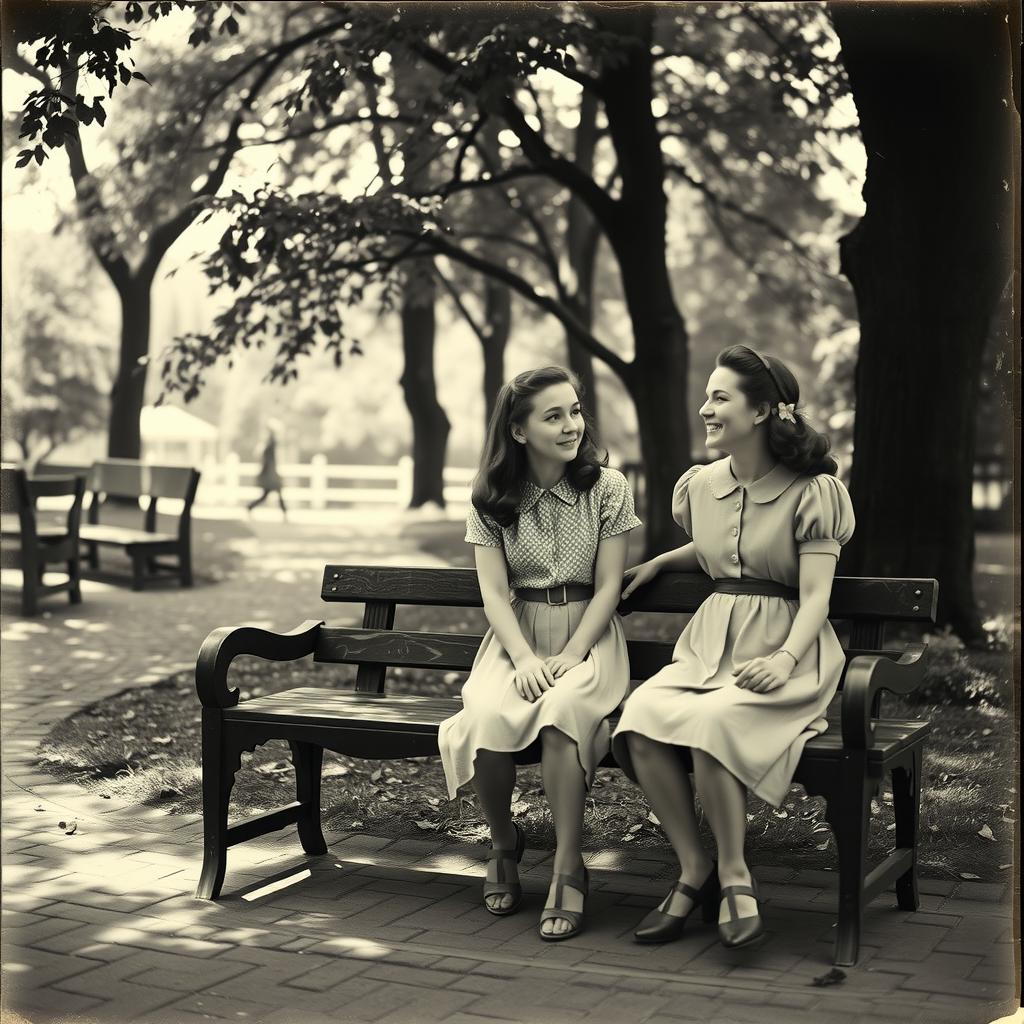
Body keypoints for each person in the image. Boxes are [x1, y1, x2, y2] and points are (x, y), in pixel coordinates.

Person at [612, 344, 854, 949]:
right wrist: (661, 562)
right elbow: (725, 544)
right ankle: (693, 868)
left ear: (765, 410)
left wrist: (783, 660)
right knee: (639, 720)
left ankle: (735, 873)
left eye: (720, 398)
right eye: (708, 396)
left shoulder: (813, 490)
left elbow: (818, 596)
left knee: (716, 721)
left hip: (786, 646)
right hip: (709, 646)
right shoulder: (702, 485)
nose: (705, 409)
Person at [439, 365, 641, 941]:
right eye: (554, 415)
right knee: (483, 716)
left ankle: (568, 864)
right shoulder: (491, 498)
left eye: (575, 411)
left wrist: (575, 654)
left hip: (589, 635)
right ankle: (504, 842)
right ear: (519, 431)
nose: (572, 424)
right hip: (517, 636)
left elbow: (608, 586)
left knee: (561, 718)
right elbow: (492, 594)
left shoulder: (607, 487)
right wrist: (525, 659)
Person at [247, 425, 287, 519]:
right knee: (275, 493)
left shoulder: (268, 445)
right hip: (270, 475)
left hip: (270, 473)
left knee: (267, 495)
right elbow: (267, 461)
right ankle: (250, 507)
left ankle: (250, 507)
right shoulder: (269, 446)